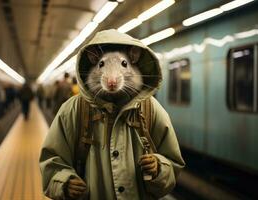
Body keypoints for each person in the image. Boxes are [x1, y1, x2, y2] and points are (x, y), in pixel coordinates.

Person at [39, 29, 185, 200]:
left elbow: (173, 163)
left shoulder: (150, 109)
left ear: (134, 59)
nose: (112, 80)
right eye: (102, 64)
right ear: (93, 62)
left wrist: (159, 168)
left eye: (124, 64)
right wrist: (64, 182)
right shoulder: (72, 110)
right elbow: (52, 161)